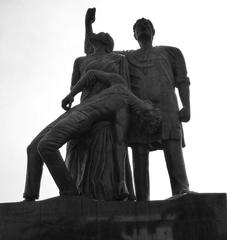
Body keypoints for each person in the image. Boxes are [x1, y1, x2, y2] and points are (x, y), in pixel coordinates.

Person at [85, 8, 191, 200]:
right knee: (139, 152)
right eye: (138, 28)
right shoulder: (126, 57)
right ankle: (142, 200)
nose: (143, 29)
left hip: (168, 107)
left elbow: (182, 80)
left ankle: (181, 191)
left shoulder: (171, 52)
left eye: (146, 26)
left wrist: (187, 106)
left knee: (172, 148)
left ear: (153, 31)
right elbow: (93, 52)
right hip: (139, 109)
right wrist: (88, 26)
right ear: (133, 35)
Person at [23, 68, 160, 201]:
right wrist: (72, 94)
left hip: (82, 118)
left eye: (148, 118)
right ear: (149, 103)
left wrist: (121, 181)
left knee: (46, 146)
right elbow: (92, 74)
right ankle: (30, 196)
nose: (147, 115)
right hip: (72, 112)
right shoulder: (119, 82)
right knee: (33, 148)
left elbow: (120, 144)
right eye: (151, 113)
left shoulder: (123, 111)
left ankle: (69, 193)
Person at [65, 32, 135, 201]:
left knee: (107, 150)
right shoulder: (80, 61)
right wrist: (87, 24)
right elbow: (74, 86)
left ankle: (117, 187)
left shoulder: (119, 59)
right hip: (85, 107)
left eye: (98, 36)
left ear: (105, 42)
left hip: (109, 109)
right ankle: (75, 194)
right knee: (78, 148)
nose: (94, 38)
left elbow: (124, 86)